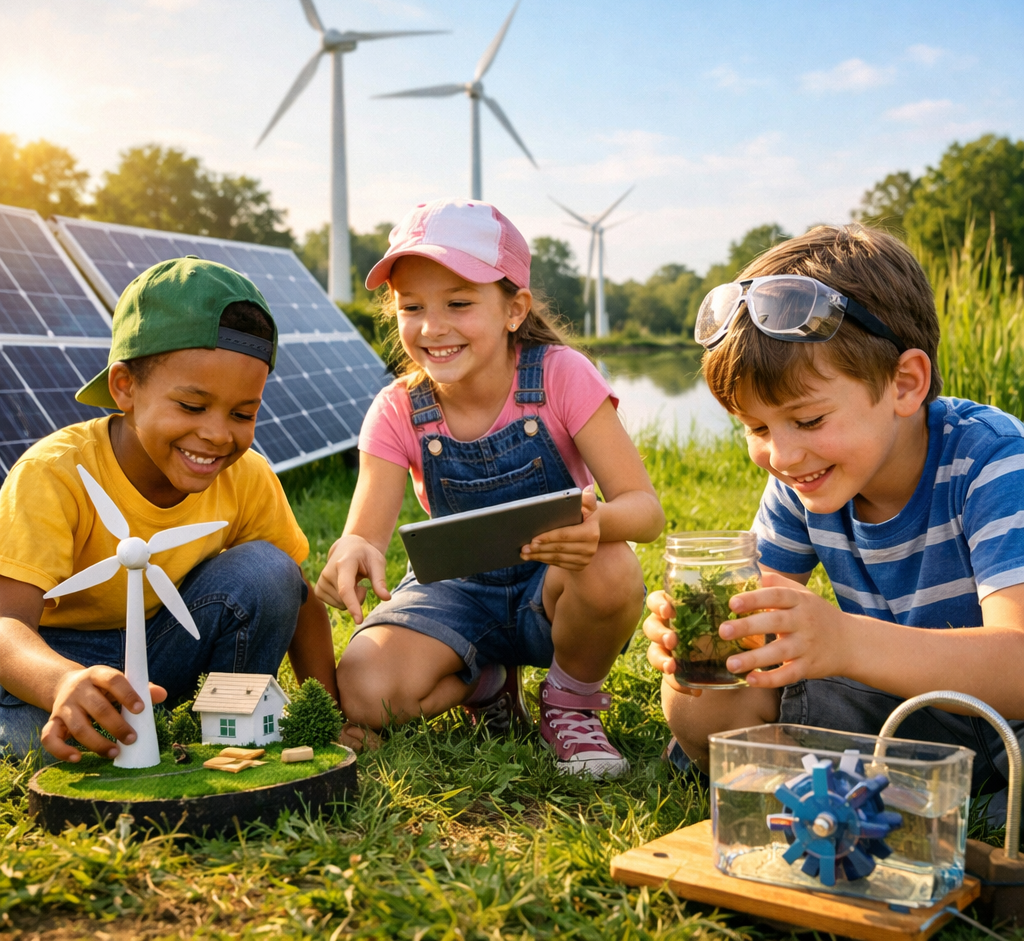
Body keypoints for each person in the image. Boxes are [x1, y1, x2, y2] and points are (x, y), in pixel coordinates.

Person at [644, 224, 1024, 809]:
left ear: (904, 383)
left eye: (810, 420)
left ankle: (952, 792)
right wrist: (708, 648)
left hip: (1011, 718)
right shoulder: (803, 480)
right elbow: (758, 626)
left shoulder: (991, 463)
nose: (783, 455)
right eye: (758, 428)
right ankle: (900, 785)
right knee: (716, 700)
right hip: (905, 714)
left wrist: (846, 640)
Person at [316, 198, 664, 778]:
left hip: (554, 589)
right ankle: (486, 683)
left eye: (458, 303)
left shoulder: (560, 375)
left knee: (610, 567)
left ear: (513, 309)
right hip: (455, 594)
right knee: (365, 690)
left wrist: (595, 526)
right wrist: (353, 550)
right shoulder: (397, 408)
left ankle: (570, 704)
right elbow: (365, 532)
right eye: (412, 307)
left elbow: (645, 511)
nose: (433, 327)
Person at [0, 258, 338, 763]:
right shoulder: (54, 472)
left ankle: (217, 721)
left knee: (270, 570)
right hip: (61, 660)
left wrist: (330, 714)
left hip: (166, 647)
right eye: (193, 406)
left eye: (243, 413)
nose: (218, 435)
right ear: (125, 387)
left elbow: (301, 600)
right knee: (36, 744)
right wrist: (62, 681)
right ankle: (120, 725)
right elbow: (7, 624)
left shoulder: (247, 476)